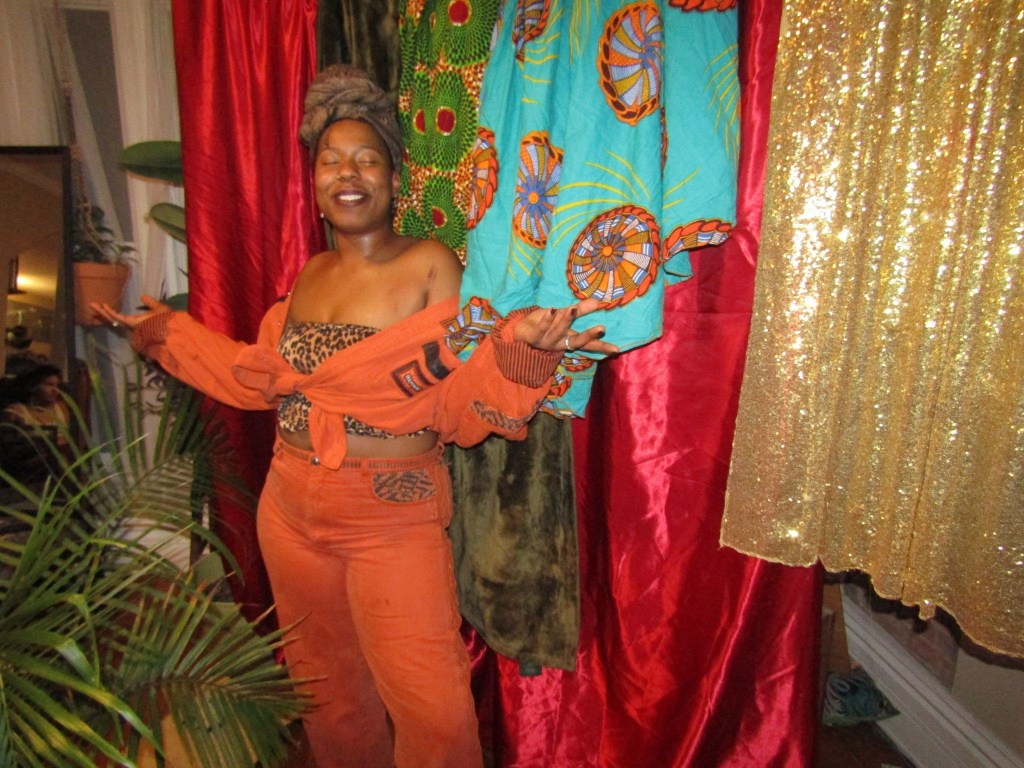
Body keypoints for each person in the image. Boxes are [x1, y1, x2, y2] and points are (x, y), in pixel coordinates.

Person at [91, 65, 617, 768]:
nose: (349, 172)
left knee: (434, 711)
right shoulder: (310, 274)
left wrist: (522, 355)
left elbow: (458, 403)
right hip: (290, 509)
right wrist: (163, 334)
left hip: (390, 517)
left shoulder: (430, 263)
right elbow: (259, 376)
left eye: (367, 158)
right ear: (314, 184)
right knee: (328, 695)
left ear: (393, 181)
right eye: (331, 159)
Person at [0, 363, 72, 484]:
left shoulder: (63, 409)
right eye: (49, 384)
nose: (55, 390)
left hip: (61, 476)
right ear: (33, 386)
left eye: (57, 386)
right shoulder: (16, 412)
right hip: (30, 478)